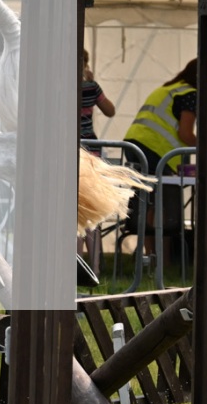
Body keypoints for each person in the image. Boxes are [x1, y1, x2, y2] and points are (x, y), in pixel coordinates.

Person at [122, 59, 198, 267]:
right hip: (153, 149)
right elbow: (185, 134)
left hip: (135, 144)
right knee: (162, 205)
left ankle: (151, 256)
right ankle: (162, 261)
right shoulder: (190, 94)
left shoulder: (170, 88)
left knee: (147, 202)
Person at [79, 48, 116, 144]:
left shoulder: (59, 88)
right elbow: (110, 111)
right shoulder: (91, 87)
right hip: (88, 143)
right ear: (85, 65)